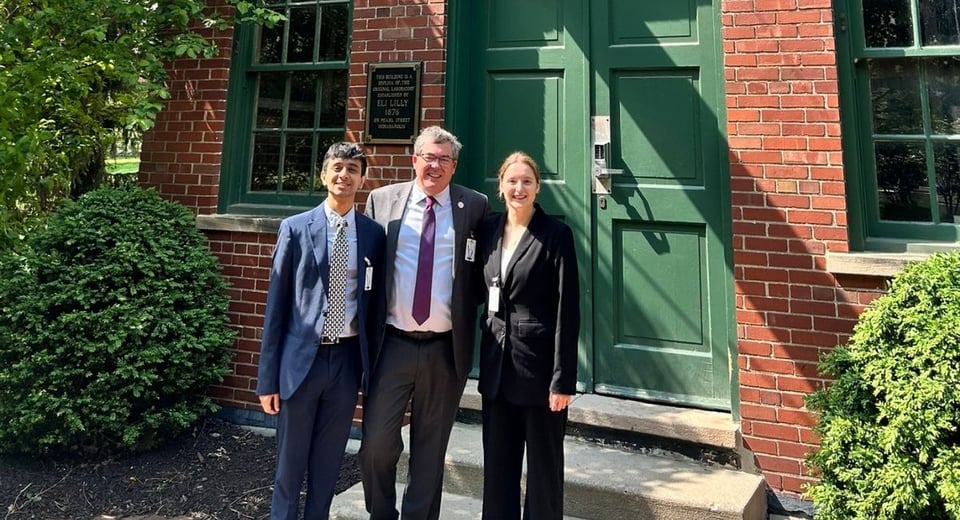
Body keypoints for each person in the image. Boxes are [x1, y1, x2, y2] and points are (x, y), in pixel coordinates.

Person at [359, 125, 490, 520]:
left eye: (444, 159)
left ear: (454, 166)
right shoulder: (382, 201)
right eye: (428, 157)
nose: (435, 166)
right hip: (392, 344)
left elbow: (485, 272)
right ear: (414, 159)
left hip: (445, 349)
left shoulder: (475, 206)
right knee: (376, 446)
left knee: (431, 452)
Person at [256, 142, 386, 520]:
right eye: (337, 167)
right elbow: (275, 308)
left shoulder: (374, 235)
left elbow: (375, 306)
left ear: (362, 180)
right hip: (301, 365)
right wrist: (268, 380)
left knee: (329, 463)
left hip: (346, 364)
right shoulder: (295, 229)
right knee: (290, 464)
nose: (344, 175)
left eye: (352, 169)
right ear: (323, 175)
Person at [476, 152, 580, 520]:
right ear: (500, 185)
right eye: (512, 181)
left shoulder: (556, 235)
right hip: (496, 373)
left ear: (537, 187)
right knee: (498, 473)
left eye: (527, 182)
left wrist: (563, 379)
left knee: (543, 473)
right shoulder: (487, 229)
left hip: (540, 376)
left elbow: (568, 311)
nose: (518, 188)